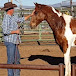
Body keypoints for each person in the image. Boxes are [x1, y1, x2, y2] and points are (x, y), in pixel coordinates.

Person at [1, 2, 34, 76]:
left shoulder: (12, 17)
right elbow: (5, 31)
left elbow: (21, 19)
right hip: (10, 42)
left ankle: (16, 74)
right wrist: (15, 31)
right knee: (11, 60)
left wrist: (30, 15)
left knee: (16, 59)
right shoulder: (6, 18)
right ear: (10, 10)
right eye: (12, 8)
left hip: (14, 41)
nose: (13, 9)